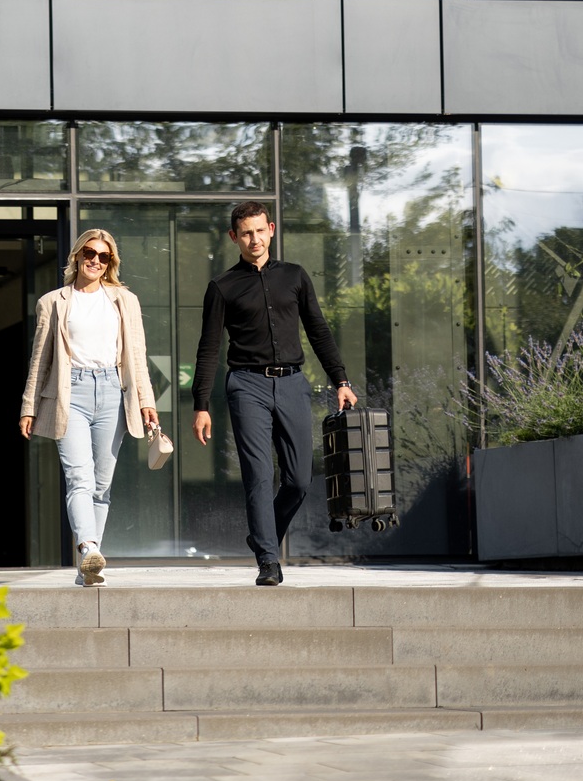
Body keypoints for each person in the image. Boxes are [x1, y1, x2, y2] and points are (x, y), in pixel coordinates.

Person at [191, 201, 358, 586]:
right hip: (246, 385)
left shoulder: (295, 277)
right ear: (234, 237)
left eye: (259, 231)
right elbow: (209, 350)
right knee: (259, 475)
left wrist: (341, 381)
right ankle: (268, 560)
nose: (254, 239)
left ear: (271, 229)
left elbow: (318, 331)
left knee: (299, 479)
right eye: (245, 233)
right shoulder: (222, 287)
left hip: (292, 383)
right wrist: (201, 405)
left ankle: (262, 535)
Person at [20, 230, 157, 586]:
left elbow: (137, 357)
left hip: (113, 390)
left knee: (101, 483)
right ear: (78, 255)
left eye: (104, 256)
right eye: (90, 253)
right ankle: (88, 548)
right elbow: (40, 360)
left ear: (111, 263)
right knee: (79, 477)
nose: (96, 260)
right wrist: (28, 406)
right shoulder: (54, 302)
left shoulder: (125, 300)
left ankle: (89, 569)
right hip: (71, 393)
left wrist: (146, 401)